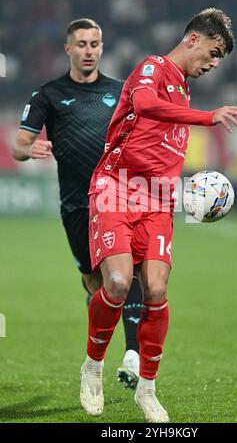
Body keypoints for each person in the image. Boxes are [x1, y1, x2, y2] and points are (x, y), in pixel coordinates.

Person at [80, 8, 237, 422]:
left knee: (156, 288)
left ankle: (148, 390)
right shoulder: (152, 67)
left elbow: (161, 150)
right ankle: (93, 367)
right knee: (117, 283)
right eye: (213, 52)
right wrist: (207, 117)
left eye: (219, 59)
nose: (212, 63)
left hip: (157, 200)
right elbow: (145, 105)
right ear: (193, 39)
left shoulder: (185, 88)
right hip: (116, 188)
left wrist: (188, 195)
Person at [12, 19, 142, 389]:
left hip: (116, 200)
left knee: (127, 272)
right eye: (81, 44)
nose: (89, 50)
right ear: (68, 49)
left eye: (95, 43)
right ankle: (99, 348)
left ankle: (132, 354)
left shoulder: (122, 92)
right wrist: (29, 149)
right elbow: (18, 144)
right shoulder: (48, 94)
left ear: (102, 47)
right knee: (94, 282)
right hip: (76, 207)